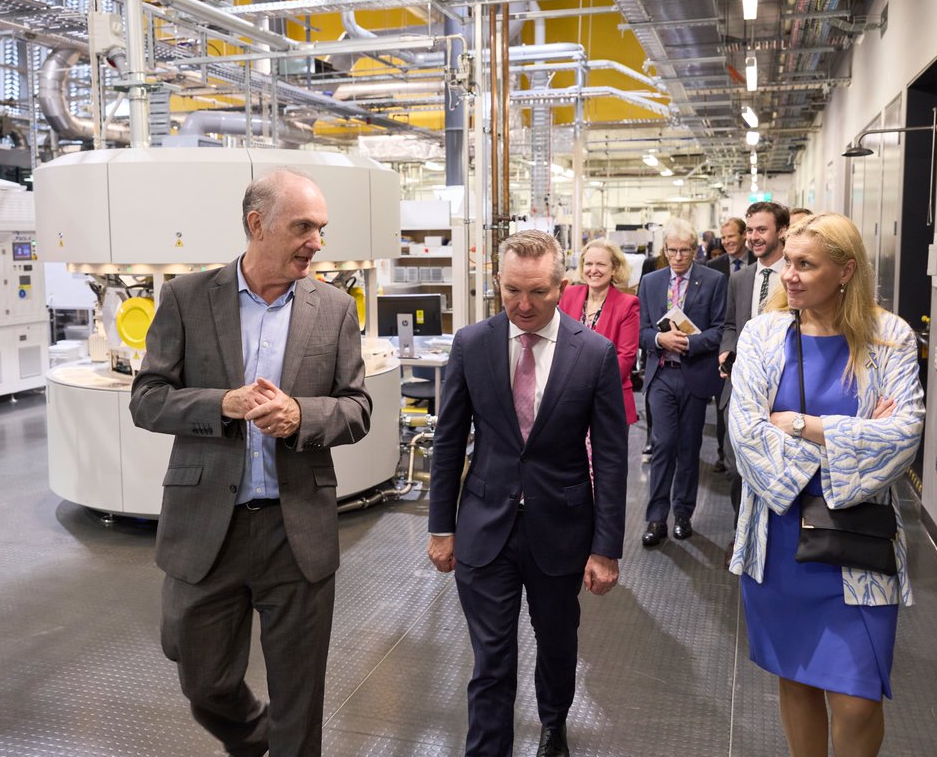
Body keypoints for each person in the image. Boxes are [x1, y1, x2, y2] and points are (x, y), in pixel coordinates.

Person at [129, 169, 373, 757]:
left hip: (298, 529)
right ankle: (253, 735)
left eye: (321, 228)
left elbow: (358, 409)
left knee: (300, 693)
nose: (316, 242)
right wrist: (223, 403)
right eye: (303, 227)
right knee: (202, 677)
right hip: (209, 524)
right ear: (256, 224)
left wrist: (300, 417)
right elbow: (148, 398)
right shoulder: (189, 298)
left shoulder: (334, 307)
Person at [727, 213, 924, 757]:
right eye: (787, 261)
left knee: (858, 700)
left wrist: (795, 423)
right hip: (781, 537)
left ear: (845, 271)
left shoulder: (890, 338)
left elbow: (902, 438)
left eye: (804, 264)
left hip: (857, 540)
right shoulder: (763, 334)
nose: (788, 274)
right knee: (797, 679)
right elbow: (745, 435)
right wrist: (856, 437)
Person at [427, 229, 627, 757]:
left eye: (538, 292)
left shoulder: (594, 354)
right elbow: (448, 441)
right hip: (484, 526)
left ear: (562, 286)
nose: (523, 304)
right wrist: (440, 527)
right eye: (513, 290)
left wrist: (606, 548)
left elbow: (610, 457)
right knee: (491, 659)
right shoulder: (472, 344)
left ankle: (554, 725)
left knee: (557, 643)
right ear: (498, 282)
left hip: (561, 527)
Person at [637, 218, 726, 545]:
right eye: (672, 250)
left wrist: (689, 343)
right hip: (661, 374)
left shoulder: (714, 281)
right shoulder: (650, 282)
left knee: (688, 448)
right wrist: (661, 342)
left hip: (694, 375)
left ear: (695, 250)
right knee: (663, 445)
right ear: (664, 250)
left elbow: (719, 329)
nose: (678, 256)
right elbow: (642, 330)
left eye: (685, 250)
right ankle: (656, 518)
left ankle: (683, 513)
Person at [719, 202, 790, 533]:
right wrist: (726, 350)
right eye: (750, 230)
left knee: (776, 464)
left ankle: (773, 536)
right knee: (737, 465)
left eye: (762, 229)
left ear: (781, 231)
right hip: (740, 385)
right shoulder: (740, 278)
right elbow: (730, 325)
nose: (753, 237)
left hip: (783, 389)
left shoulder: (794, 276)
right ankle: (741, 534)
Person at [558, 238, 641, 424]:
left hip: (608, 399)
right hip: (569, 399)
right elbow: (559, 343)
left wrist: (586, 385)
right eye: (588, 264)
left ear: (614, 269)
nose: (593, 270)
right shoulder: (569, 295)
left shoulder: (628, 304)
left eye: (601, 264)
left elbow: (625, 357)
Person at [706, 216, 754, 472]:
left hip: (751, 341)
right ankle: (723, 453)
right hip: (723, 340)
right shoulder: (714, 266)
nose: (726, 242)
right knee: (723, 400)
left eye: (731, 237)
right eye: (723, 238)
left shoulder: (760, 264)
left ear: (743, 236)